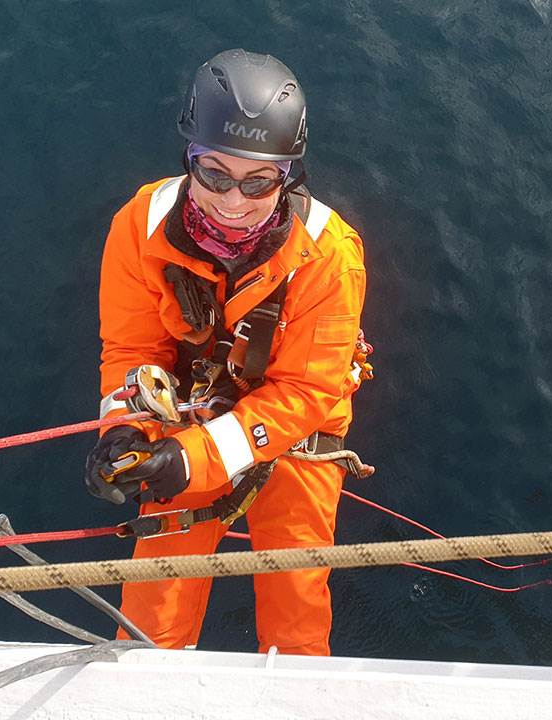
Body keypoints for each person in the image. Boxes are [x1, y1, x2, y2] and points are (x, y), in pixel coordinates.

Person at [82, 49, 367, 655]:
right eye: (213, 174)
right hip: (186, 417)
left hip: (296, 438)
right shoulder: (140, 225)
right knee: (151, 617)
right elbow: (133, 349)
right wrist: (126, 431)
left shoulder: (331, 256)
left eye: (259, 182)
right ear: (189, 159)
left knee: (296, 613)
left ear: (288, 177)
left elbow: (309, 392)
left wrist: (196, 457)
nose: (232, 201)